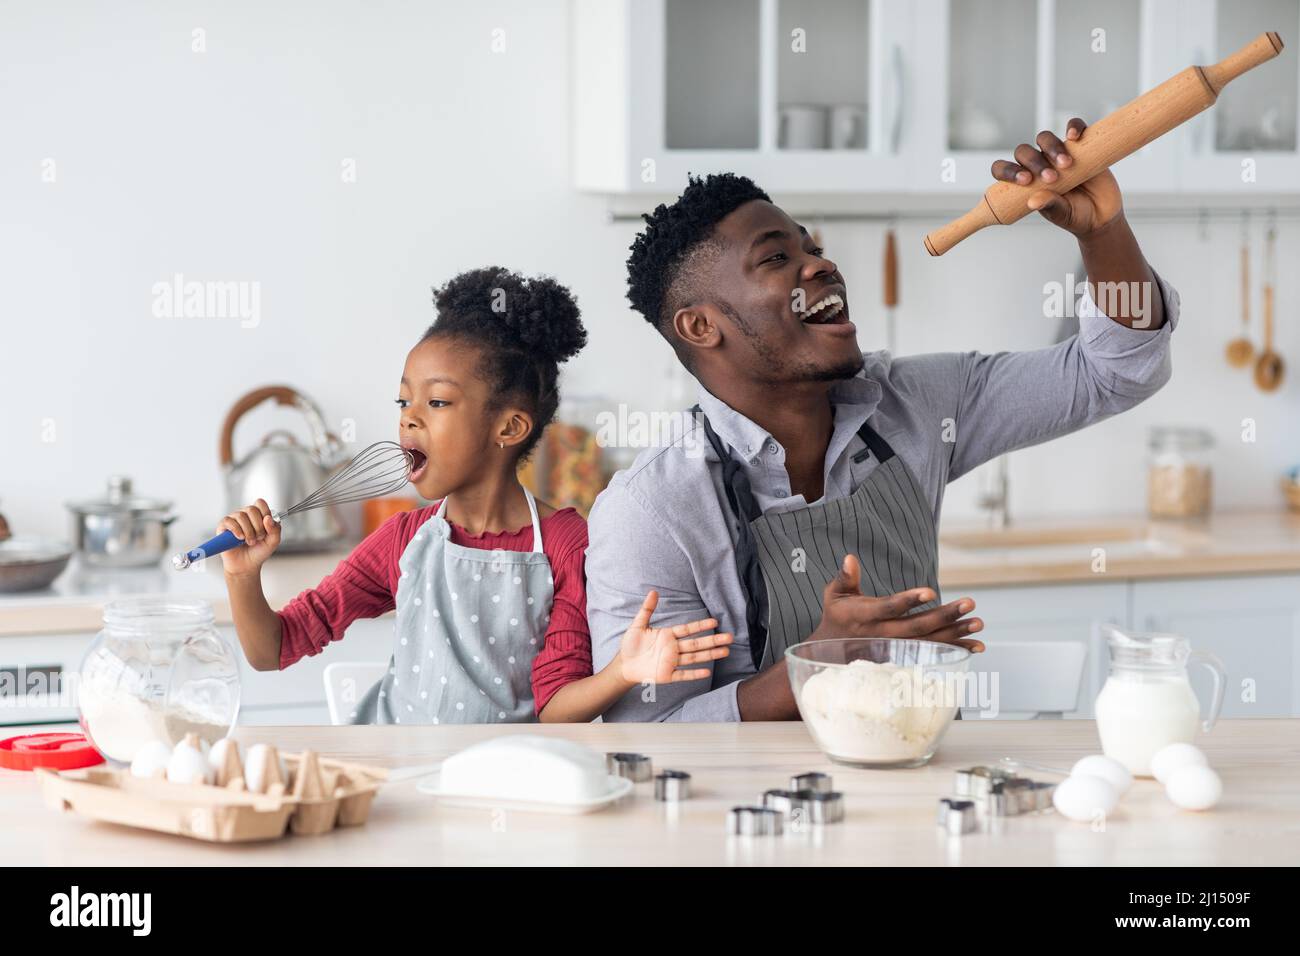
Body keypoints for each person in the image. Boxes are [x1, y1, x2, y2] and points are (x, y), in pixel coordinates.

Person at [587, 119, 1178, 722]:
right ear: (701, 326)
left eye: (812, 249)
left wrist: (1104, 231)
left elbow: (1114, 373)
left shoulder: (917, 404)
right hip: (756, 807)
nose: (820, 266)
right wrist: (818, 663)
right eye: (776, 258)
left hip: (924, 777)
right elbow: (650, 735)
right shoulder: (651, 512)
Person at [218, 267, 732, 724]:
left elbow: (556, 707)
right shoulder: (405, 539)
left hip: (505, 784)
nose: (409, 416)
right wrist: (243, 576)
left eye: (436, 400)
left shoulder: (567, 543)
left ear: (508, 427)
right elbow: (273, 649)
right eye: (404, 399)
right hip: (399, 779)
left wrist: (622, 671)